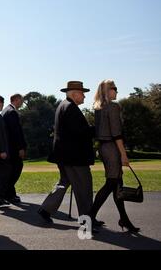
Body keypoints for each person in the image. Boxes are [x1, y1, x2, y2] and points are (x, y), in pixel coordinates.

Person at [38, 81, 96, 226]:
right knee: (84, 187)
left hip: (64, 155)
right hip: (74, 157)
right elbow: (79, 133)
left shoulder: (63, 105)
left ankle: (46, 209)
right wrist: (97, 129)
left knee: (64, 182)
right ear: (74, 93)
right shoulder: (70, 108)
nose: (84, 96)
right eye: (82, 93)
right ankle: (87, 220)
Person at [90, 80, 140, 233]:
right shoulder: (113, 107)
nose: (117, 91)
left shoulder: (98, 108)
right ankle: (89, 217)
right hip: (112, 148)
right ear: (107, 90)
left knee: (117, 184)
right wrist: (123, 154)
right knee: (112, 183)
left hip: (104, 148)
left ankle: (124, 218)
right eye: (115, 88)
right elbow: (117, 133)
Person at [2, 94, 27, 204]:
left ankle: (10, 193)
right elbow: (15, 132)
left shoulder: (5, 110)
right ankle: (8, 193)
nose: (22, 102)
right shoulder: (12, 112)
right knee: (15, 170)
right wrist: (20, 148)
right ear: (16, 100)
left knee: (11, 171)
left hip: (8, 147)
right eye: (21, 100)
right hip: (13, 148)